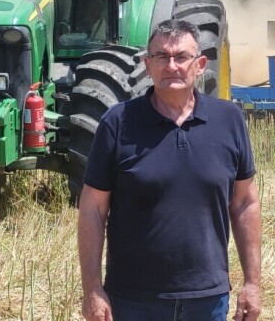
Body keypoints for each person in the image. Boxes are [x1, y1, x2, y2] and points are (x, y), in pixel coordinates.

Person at [78, 19, 262, 321]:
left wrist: (252, 284)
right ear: (147, 65)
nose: (171, 65)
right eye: (161, 57)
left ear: (200, 64)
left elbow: (244, 204)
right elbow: (92, 210)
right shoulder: (118, 123)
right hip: (133, 301)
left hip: (207, 299)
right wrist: (92, 290)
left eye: (181, 57)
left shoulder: (228, 120)